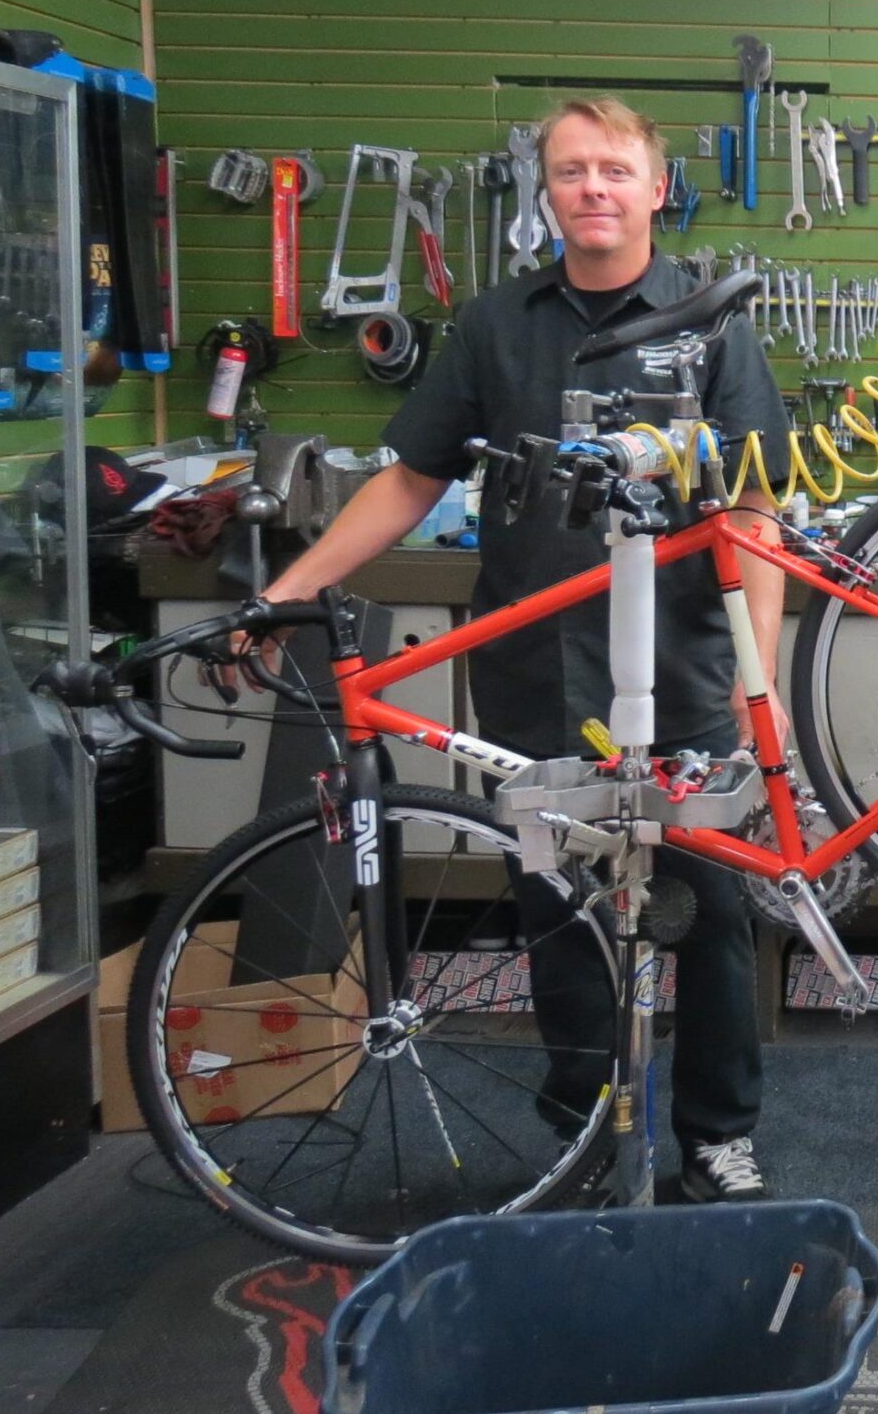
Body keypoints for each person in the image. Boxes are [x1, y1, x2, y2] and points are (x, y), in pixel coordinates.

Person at [251, 97, 794, 1202]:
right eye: (570, 170)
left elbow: (754, 514)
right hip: (532, 665)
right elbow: (411, 476)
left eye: (614, 169)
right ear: (546, 191)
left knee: (711, 912)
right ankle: (585, 1125)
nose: (593, 187)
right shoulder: (495, 327)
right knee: (561, 913)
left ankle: (717, 1137)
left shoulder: (715, 325)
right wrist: (289, 583)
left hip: (683, 669)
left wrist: (759, 681)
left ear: (655, 188)